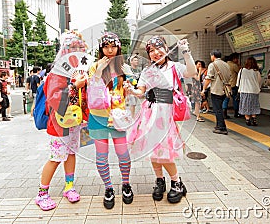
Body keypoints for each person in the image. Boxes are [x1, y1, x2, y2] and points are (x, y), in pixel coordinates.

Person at [127, 36, 196, 204]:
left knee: (165, 151)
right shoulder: (147, 71)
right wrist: (132, 90)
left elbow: (192, 72)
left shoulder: (174, 67)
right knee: (152, 150)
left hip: (165, 115)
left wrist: (186, 51)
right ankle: (160, 180)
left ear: (166, 48)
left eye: (159, 48)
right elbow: (141, 91)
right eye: (151, 50)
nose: (156, 52)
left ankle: (176, 182)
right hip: (149, 113)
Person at [35, 31, 88, 211]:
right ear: (65, 50)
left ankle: (69, 186)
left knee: (71, 153)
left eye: (80, 48)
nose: (77, 51)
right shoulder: (57, 72)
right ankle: (42, 193)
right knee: (56, 157)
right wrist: (75, 86)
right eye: (73, 48)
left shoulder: (78, 69)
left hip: (73, 121)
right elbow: (54, 98)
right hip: (59, 124)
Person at [88, 32, 133, 209]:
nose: (109, 50)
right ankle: (108, 188)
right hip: (97, 117)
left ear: (118, 48)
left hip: (118, 118)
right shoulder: (94, 66)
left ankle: (126, 184)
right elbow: (91, 89)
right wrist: (99, 70)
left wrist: (130, 87)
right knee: (101, 156)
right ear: (101, 48)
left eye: (113, 46)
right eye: (106, 47)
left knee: (123, 154)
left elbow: (133, 89)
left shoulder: (124, 67)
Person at [201, 50, 231, 135]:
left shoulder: (212, 64)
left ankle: (222, 128)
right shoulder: (226, 64)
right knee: (219, 108)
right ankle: (218, 126)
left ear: (213, 56)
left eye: (211, 56)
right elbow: (229, 76)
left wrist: (204, 89)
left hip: (216, 90)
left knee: (217, 109)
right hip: (225, 90)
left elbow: (209, 78)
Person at [236, 57, 262, 126]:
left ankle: (247, 119)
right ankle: (254, 119)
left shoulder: (242, 70)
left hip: (244, 90)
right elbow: (259, 82)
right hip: (254, 91)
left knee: (245, 105)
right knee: (253, 105)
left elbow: (238, 81)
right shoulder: (256, 72)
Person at [222, 53, 241, 118]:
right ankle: (236, 113)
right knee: (235, 99)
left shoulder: (224, 65)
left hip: (225, 85)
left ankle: (224, 113)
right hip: (233, 85)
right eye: (237, 58)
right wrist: (239, 65)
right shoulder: (234, 65)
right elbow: (240, 73)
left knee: (226, 99)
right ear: (234, 59)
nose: (237, 60)